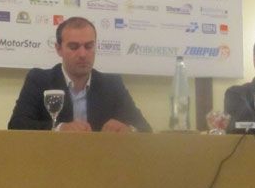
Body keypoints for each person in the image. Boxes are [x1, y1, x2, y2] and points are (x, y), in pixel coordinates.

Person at [8, 16, 151, 132]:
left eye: (89, 46)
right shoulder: (39, 80)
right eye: (73, 47)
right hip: (54, 156)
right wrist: (59, 128)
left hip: (100, 157)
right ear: (58, 49)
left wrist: (129, 130)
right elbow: (16, 125)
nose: (83, 54)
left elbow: (144, 128)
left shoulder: (112, 85)